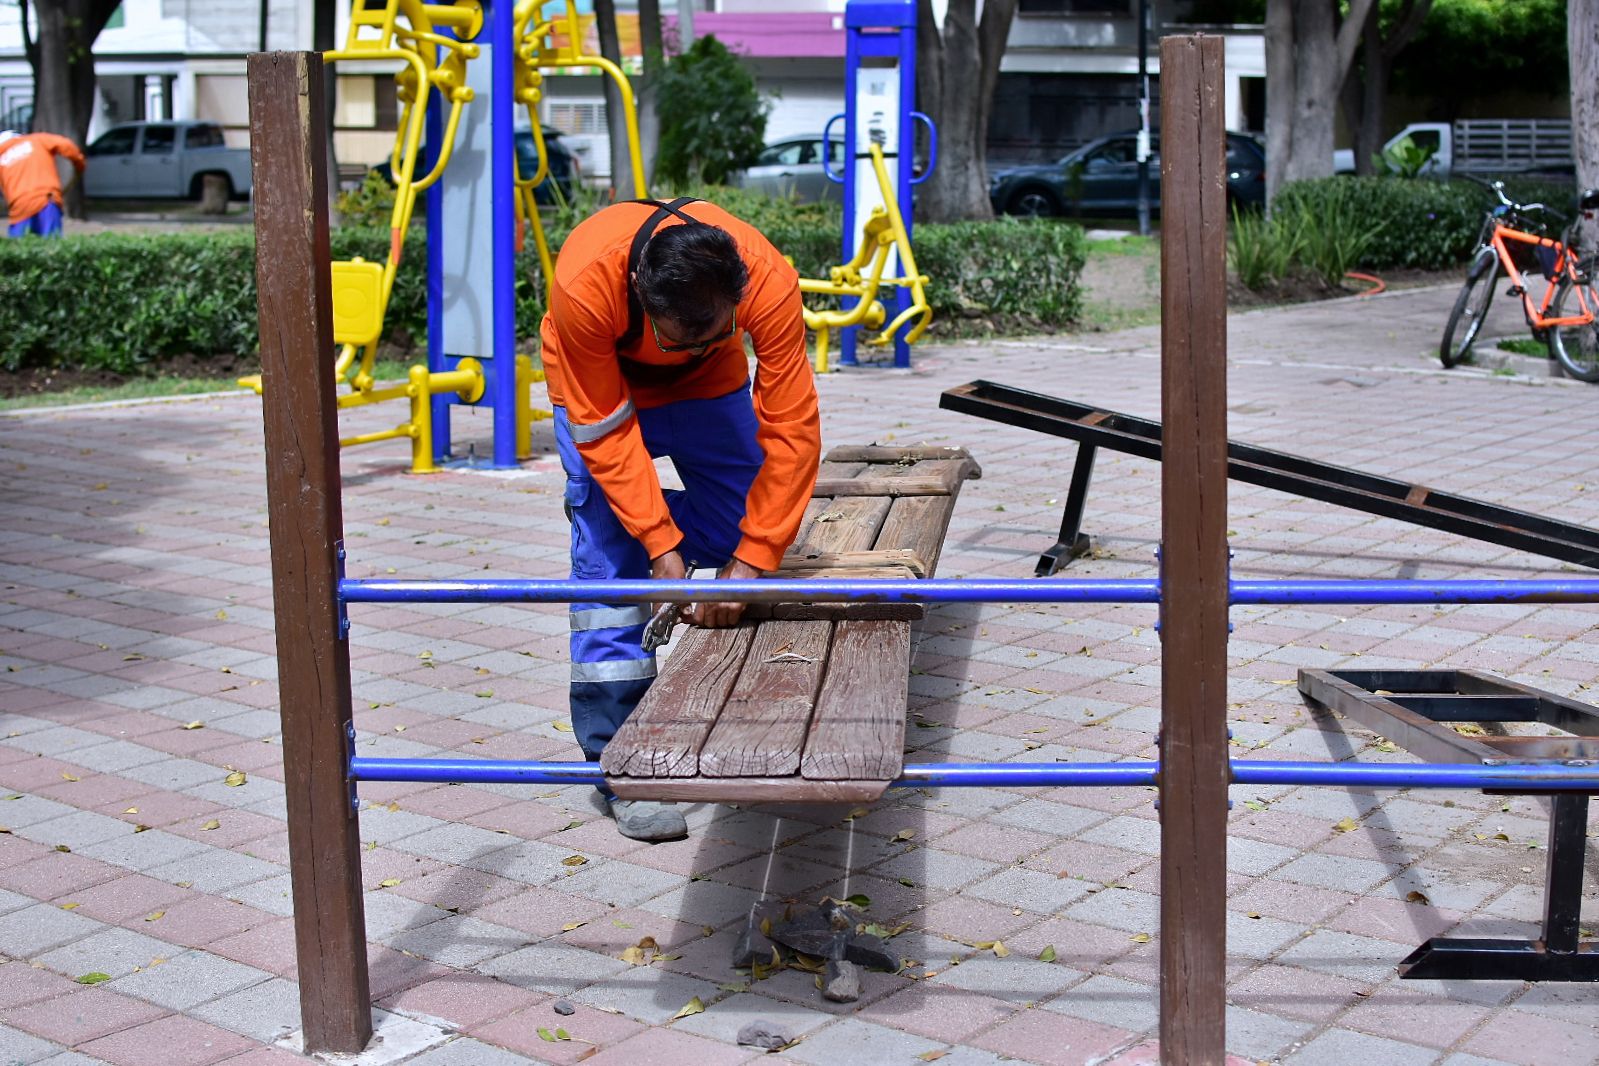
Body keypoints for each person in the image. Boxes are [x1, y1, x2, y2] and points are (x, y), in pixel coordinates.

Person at [542, 196, 821, 841]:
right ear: (641, 293)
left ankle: (608, 517)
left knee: (743, 528)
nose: (690, 344)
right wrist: (660, 550)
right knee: (614, 573)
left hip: (707, 386)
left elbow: (794, 431)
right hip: (600, 385)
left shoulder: (765, 276)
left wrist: (750, 562)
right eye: (678, 335)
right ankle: (622, 765)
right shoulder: (585, 282)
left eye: (717, 328)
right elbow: (607, 434)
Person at [0, 129, 85, 238]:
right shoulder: (36, 140)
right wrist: (79, 163)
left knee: (19, 250)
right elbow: (66, 144)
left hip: (19, 208)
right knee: (50, 247)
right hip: (46, 200)